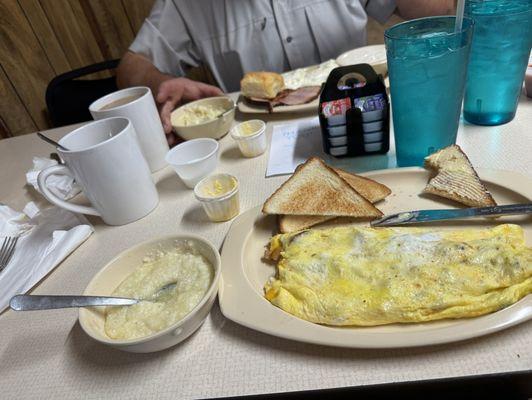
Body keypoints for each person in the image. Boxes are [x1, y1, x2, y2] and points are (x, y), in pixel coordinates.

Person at [117, 0, 456, 144]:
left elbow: (436, 10)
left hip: (363, 118)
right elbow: (130, 68)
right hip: (257, 143)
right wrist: (159, 81)